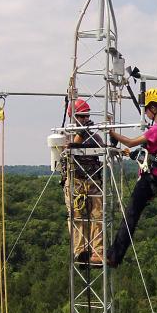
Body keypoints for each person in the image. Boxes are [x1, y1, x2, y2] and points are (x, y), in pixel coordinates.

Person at [105, 87, 157, 267]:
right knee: (132, 215)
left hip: (149, 179)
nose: (145, 113)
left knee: (130, 215)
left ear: (153, 108)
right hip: (155, 177)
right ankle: (115, 254)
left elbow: (130, 141)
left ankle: (115, 256)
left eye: (146, 109)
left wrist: (111, 131)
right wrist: (129, 153)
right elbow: (145, 152)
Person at [64, 97, 105, 266]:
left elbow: (102, 149)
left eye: (86, 116)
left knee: (98, 216)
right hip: (76, 181)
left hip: (93, 180)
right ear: (72, 117)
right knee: (77, 217)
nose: (85, 119)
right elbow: (70, 148)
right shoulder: (65, 135)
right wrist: (81, 133)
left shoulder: (94, 136)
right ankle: (81, 252)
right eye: (81, 116)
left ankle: (97, 252)